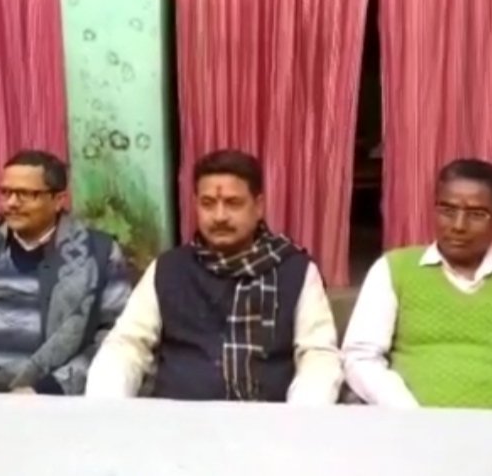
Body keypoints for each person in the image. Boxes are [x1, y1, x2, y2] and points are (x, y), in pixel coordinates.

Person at [86, 149, 342, 404]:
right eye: (208, 203)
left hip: (268, 420)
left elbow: (318, 355)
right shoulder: (169, 268)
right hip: (179, 420)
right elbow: (127, 344)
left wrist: (300, 418)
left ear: (258, 207)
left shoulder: (294, 270)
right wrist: (108, 409)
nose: (220, 216)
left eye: (233, 203)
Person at [342, 158, 492, 411]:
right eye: (447, 210)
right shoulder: (394, 269)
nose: (458, 226)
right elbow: (361, 357)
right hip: (408, 423)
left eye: (477, 214)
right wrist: (409, 414)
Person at [0, 150, 131, 394]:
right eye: (5, 192)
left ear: (59, 199)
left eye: (25, 194)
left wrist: (47, 390)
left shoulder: (98, 252)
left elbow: (115, 338)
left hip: (48, 400)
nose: (11, 203)